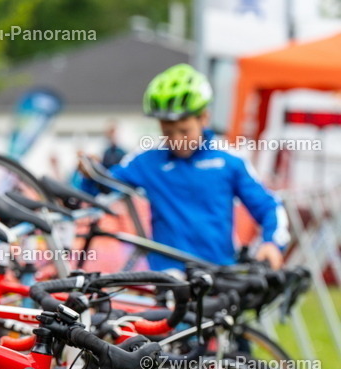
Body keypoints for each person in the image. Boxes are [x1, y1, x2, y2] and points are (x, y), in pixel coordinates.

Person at [78, 63, 289, 270]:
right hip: (168, 280)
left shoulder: (229, 161)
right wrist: (89, 173)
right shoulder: (147, 161)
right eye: (168, 132)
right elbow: (101, 188)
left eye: (184, 130)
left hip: (217, 277)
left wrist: (271, 243)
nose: (176, 139)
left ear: (204, 118)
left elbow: (269, 206)